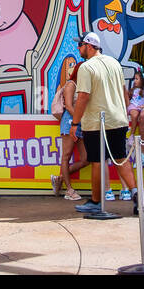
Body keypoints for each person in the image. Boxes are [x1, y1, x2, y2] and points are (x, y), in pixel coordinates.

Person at [71, 32, 138, 214]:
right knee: (120, 158)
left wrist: (75, 123)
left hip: (97, 121)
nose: (79, 48)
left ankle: (95, 201)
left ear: (90, 46)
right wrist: (124, 112)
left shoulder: (87, 67)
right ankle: (136, 194)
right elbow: (124, 91)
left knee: (97, 161)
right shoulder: (114, 63)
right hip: (118, 119)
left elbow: (83, 96)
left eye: (81, 45)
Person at [50, 55, 88, 201]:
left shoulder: (83, 86)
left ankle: (59, 178)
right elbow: (69, 106)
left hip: (80, 123)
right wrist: (81, 119)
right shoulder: (71, 84)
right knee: (66, 156)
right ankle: (69, 190)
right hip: (70, 122)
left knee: (86, 159)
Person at [126, 68, 144, 151]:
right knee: (134, 115)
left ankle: (133, 136)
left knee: (137, 115)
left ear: (143, 80)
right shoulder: (133, 88)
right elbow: (127, 97)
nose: (135, 81)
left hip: (139, 107)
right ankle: (130, 135)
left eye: (137, 79)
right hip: (132, 106)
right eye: (134, 79)